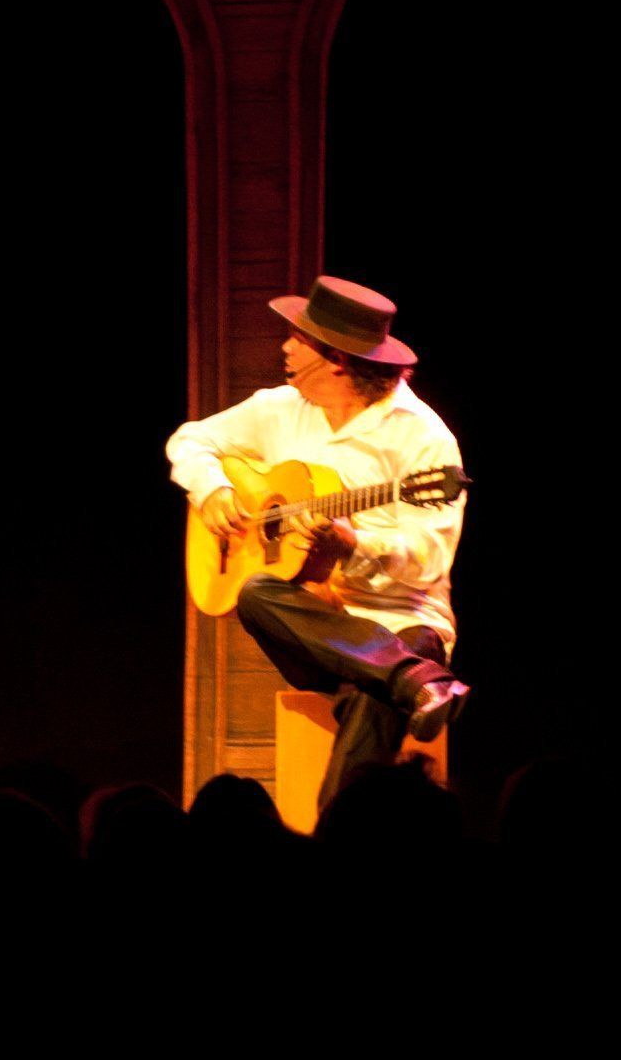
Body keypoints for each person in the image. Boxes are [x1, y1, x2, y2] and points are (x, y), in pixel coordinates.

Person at [167, 276, 470, 808]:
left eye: (299, 339)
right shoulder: (279, 408)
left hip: (402, 619)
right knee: (256, 592)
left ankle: (397, 690)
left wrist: (355, 547)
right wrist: (212, 489)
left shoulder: (423, 437)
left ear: (336, 359)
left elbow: (431, 558)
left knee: (373, 698)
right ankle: (412, 679)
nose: (285, 348)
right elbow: (190, 439)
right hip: (316, 626)